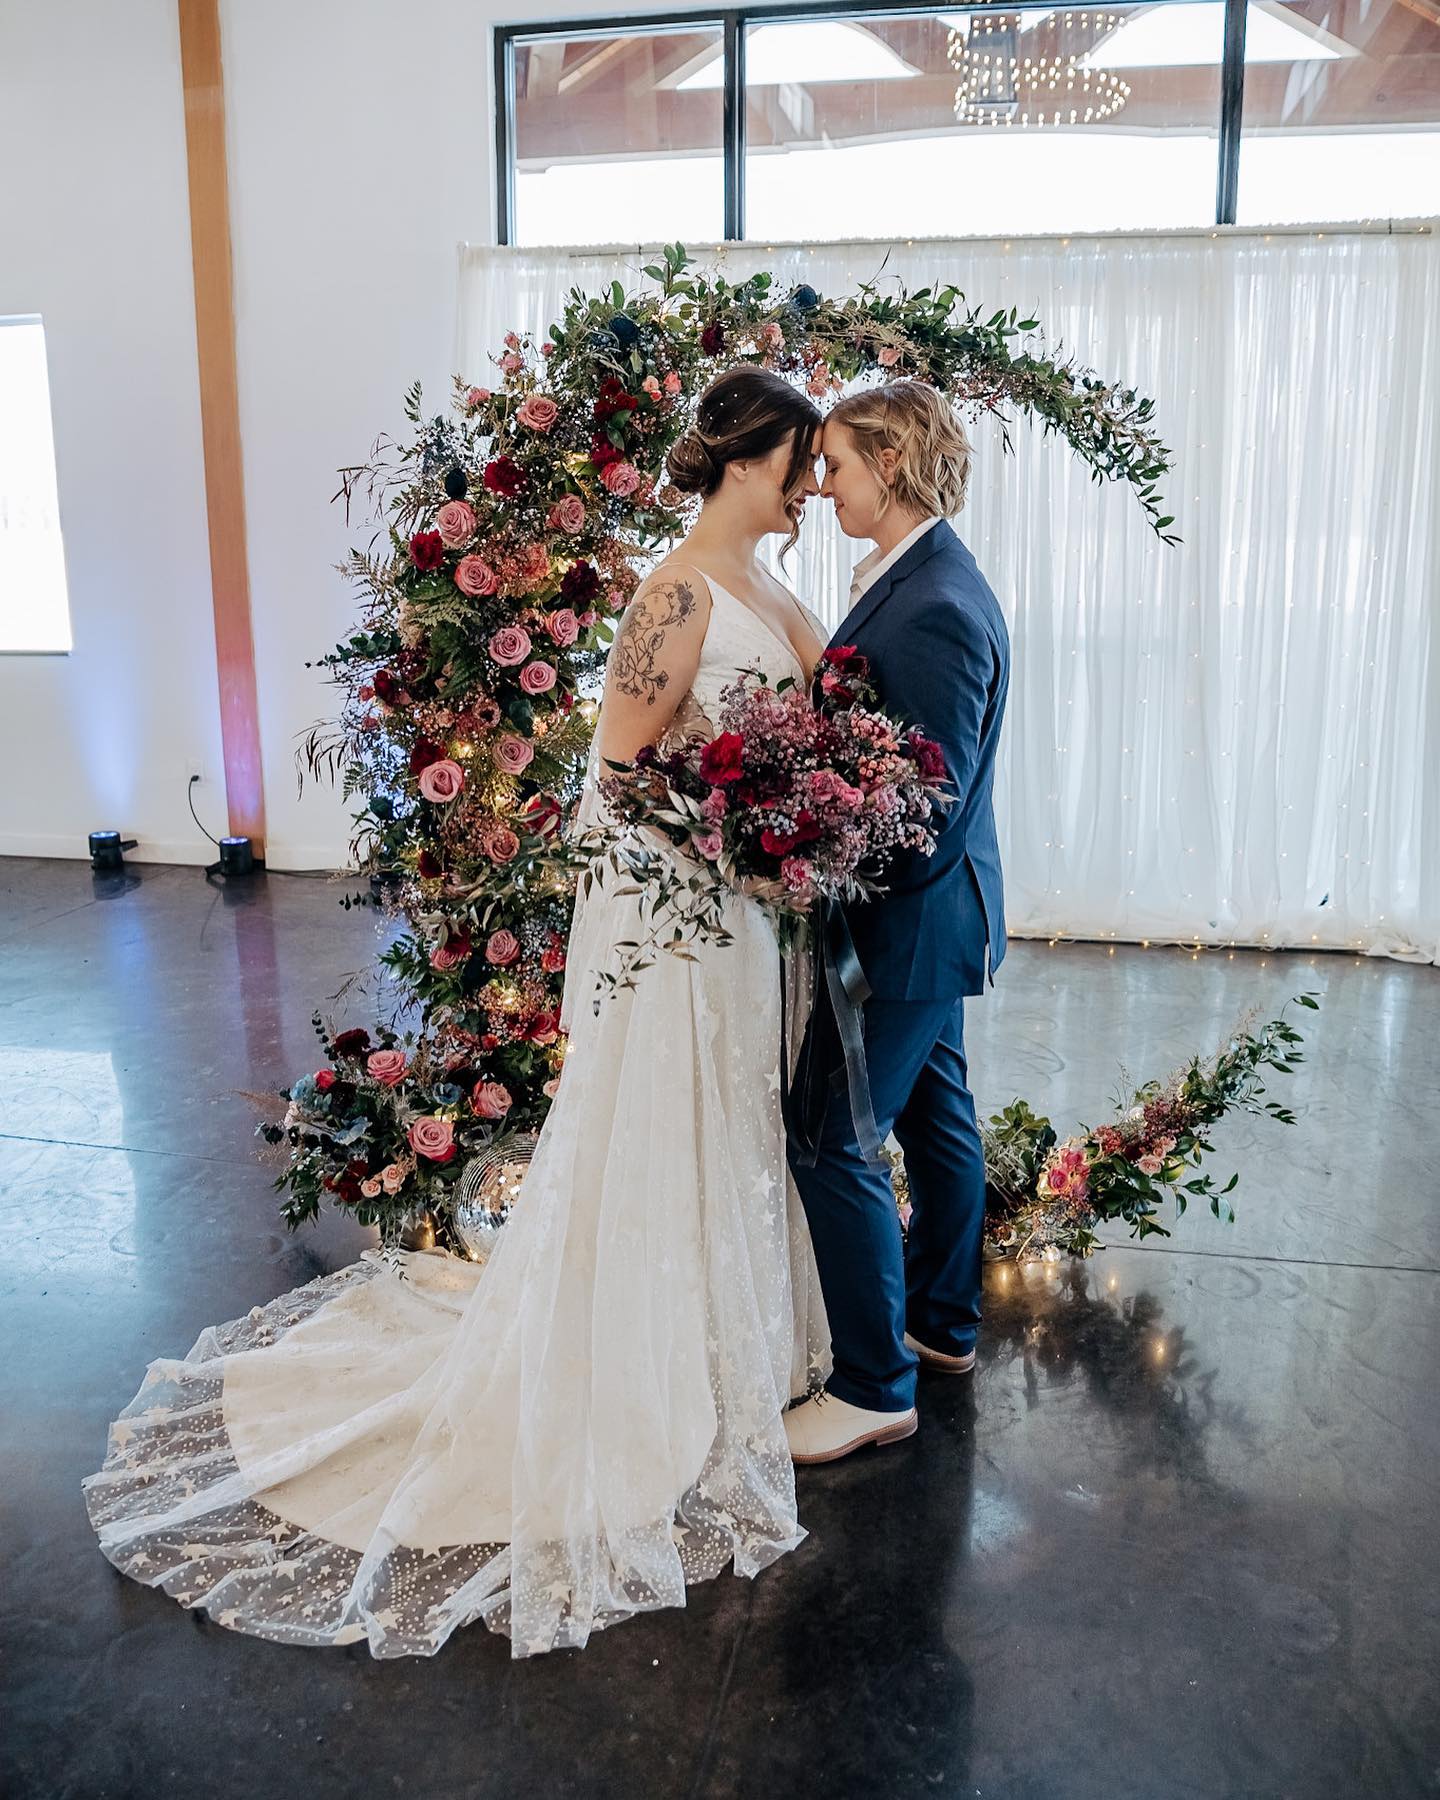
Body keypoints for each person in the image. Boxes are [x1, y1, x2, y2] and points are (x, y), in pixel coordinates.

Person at [81, 366, 836, 1661]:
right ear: (751, 457)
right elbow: (616, 773)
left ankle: (728, 1348)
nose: (813, 483)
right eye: (803, 460)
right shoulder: (677, 593)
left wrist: (792, 835)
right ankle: (650, 1368)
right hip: (682, 916)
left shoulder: (768, 585)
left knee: (736, 1115)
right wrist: (731, 843)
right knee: (669, 1118)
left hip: (749, 912)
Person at [781, 380, 1010, 1466]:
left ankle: (875, 1385)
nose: (822, 485)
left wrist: (804, 851)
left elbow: (927, 810)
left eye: (836, 465)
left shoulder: (935, 607)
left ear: (892, 462)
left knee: (831, 1132)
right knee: (936, 1118)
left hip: (910, 924)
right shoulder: (920, 577)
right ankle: (943, 1325)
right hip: (940, 916)